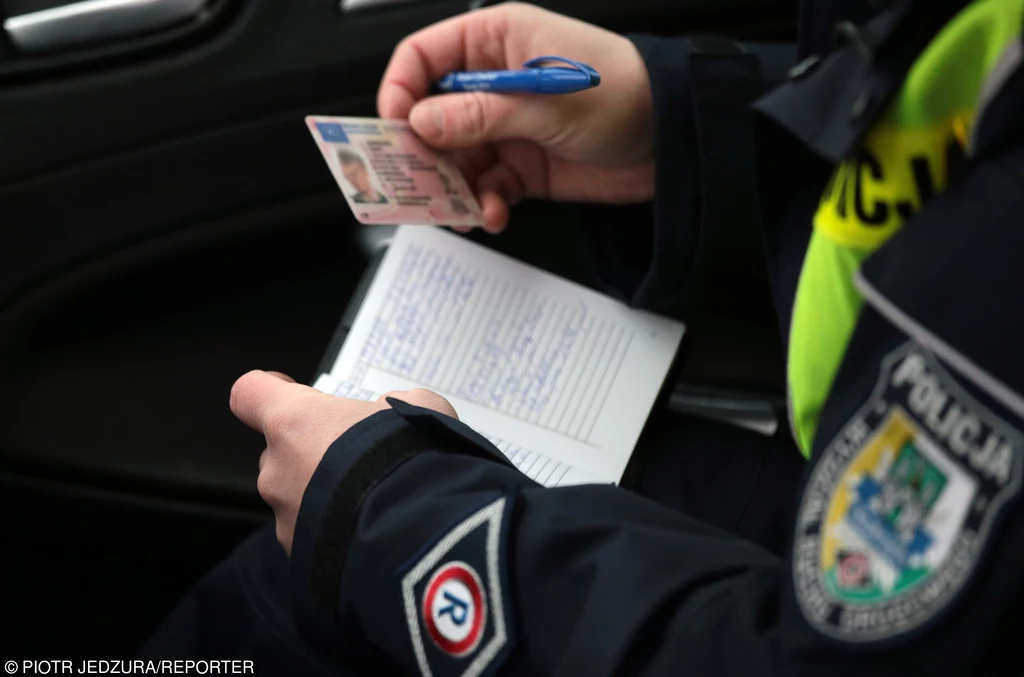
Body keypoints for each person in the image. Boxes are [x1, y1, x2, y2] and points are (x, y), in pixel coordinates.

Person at [142, 0, 1024, 674]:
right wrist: (677, 126)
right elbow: (928, 140)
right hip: (853, 451)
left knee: (291, 597)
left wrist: (388, 521)